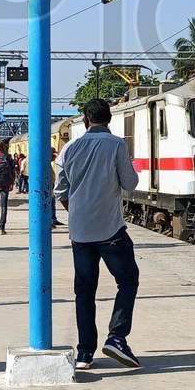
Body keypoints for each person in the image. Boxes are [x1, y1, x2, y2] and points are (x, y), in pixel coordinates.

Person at [54, 98, 141, 371]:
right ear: (109, 119)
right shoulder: (116, 144)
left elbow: (60, 191)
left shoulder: (69, 148)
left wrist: (77, 211)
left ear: (86, 119)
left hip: (79, 232)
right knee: (128, 280)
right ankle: (116, 337)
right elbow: (130, 183)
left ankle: (85, 354)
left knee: (84, 291)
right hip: (110, 230)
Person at [0, 142, 18, 234]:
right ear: (3, 147)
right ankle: (2, 228)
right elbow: (13, 172)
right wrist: (12, 183)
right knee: (4, 206)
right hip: (5, 184)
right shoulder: (8, 157)